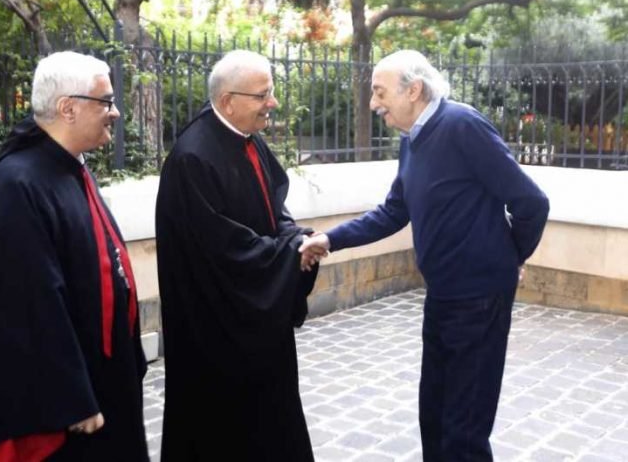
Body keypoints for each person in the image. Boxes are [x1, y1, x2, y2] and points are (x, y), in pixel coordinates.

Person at [300, 50, 549, 461]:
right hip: (442, 295)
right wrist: (330, 239)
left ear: (413, 90)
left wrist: (511, 258)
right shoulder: (412, 140)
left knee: (463, 431)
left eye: (380, 92)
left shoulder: (462, 125)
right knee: (433, 415)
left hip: (479, 298)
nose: (373, 103)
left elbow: (531, 202)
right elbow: (394, 211)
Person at [0, 51, 149, 462]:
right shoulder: (19, 184)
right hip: (69, 404)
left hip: (104, 374)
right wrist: (71, 398)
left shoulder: (69, 166)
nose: (115, 113)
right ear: (68, 108)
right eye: (106, 102)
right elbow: (26, 305)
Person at [155, 49, 319, 462]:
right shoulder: (193, 157)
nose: (272, 103)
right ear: (228, 101)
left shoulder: (250, 140)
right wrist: (290, 254)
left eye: (271, 92)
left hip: (258, 326)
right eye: (262, 95)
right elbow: (224, 251)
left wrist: (294, 238)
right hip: (218, 332)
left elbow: (273, 208)